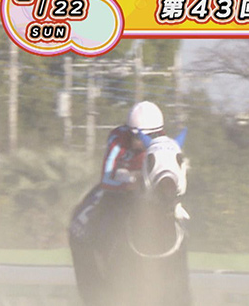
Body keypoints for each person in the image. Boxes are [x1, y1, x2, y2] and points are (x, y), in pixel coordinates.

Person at [71, 101, 179, 241]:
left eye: (145, 137)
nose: (138, 141)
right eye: (134, 135)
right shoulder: (118, 139)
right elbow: (106, 179)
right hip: (122, 178)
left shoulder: (163, 143)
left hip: (147, 182)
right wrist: (127, 186)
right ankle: (86, 230)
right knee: (108, 192)